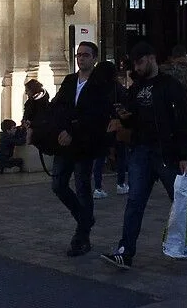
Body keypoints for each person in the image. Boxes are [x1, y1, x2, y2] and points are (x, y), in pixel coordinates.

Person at [100, 41, 187, 270]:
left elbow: (184, 120)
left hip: (166, 153)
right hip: (141, 151)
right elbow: (133, 118)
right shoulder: (136, 88)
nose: (137, 67)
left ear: (152, 58)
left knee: (179, 200)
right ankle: (125, 251)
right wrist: (124, 118)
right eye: (135, 64)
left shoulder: (170, 85)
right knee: (134, 201)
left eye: (140, 62)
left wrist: (184, 154)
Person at [50, 43, 116, 258]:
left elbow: (96, 116)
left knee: (82, 187)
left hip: (85, 144)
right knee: (58, 184)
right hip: (64, 143)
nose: (81, 59)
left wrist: (72, 131)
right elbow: (58, 107)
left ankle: (82, 236)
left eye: (85, 55)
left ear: (95, 58)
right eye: (78, 55)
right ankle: (85, 218)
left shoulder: (100, 84)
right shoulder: (70, 80)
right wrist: (61, 129)